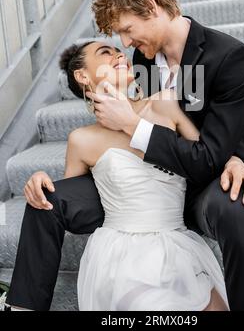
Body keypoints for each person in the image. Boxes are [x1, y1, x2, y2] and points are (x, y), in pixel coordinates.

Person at [6, 0, 244, 311]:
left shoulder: (228, 57)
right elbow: (133, 122)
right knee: (46, 198)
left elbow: (205, 150)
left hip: (204, 178)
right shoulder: (143, 57)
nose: (124, 43)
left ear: (152, 7)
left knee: (239, 212)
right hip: (148, 187)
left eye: (126, 29)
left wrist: (232, 158)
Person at [60, 41, 230, 310]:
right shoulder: (81, 140)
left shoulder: (165, 104)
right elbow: (72, 208)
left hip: (178, 244)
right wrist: (42, 185)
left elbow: (208, 160)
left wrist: (236, 164)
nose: (119, 54)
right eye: (105, 52)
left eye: (118, 51)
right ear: (83, 76)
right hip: (123, 255)